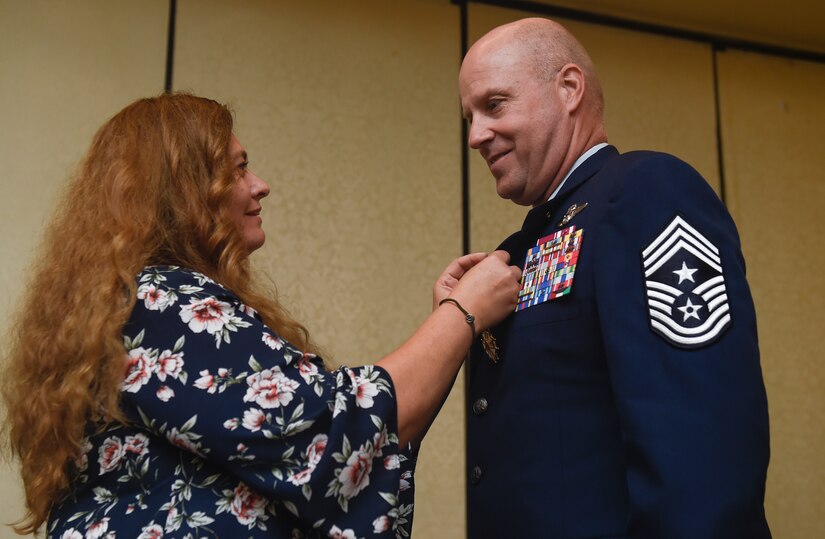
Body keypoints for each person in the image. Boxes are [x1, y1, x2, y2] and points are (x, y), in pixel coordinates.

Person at [1, 93, 521, 538]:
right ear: (186, 192)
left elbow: (359, 446)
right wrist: (460, 315)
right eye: (238, 168)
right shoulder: (157, 303)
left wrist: (452, 325)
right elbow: (332, 439)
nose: (261, 184)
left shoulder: (132, 302)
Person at [458, 17, 771, 538]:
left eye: (494, 105)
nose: (475, 135)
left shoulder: (645, 192)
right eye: (468, 116)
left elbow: (701, 444)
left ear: (569, 89)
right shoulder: (522, 248)